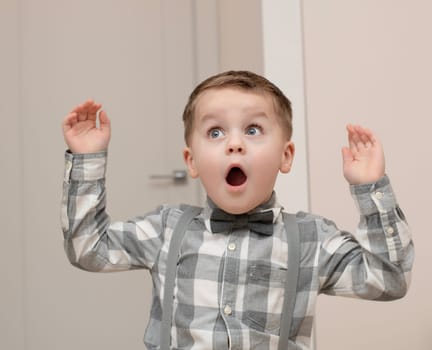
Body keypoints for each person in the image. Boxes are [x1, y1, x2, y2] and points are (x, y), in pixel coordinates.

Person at [61, 70, 413, 350]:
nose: (234, 144)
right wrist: (88, 159)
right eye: (215, 132)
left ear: (285, 156)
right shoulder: (166, 229)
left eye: (253, 129)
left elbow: (390, 279)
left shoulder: (311, 240)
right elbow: (87, 248)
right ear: (192, 160)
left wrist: (370, 188)